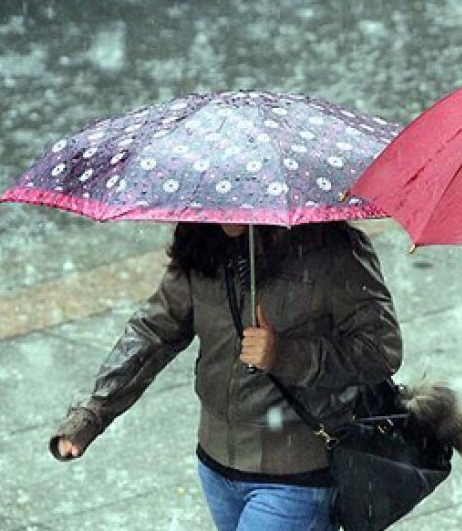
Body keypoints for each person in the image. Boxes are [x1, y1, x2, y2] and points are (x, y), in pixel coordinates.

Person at [50, 221, 403, 531]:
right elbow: (152, 334)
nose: (225, 213)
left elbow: (381, 351)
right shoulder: (200, 244)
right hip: (215, 466)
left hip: (296, 475)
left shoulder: (334, 250)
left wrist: (287, 355)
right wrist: (90, 415)